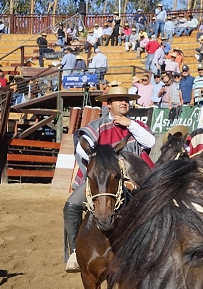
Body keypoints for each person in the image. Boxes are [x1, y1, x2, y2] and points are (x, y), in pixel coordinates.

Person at [63, 87, 155, 272]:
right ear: (109, 104)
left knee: (154, 206)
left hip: (132, 178)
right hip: (103, 180)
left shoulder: (135, 126)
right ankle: (74, 252)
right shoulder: (97, 125)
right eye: (118, 99)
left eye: (126, 100)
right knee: (71, 206)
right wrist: (104, 163)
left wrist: (130, 124)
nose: (123, 102)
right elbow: (82, 148)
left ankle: (151, 251)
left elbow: (150, 143)